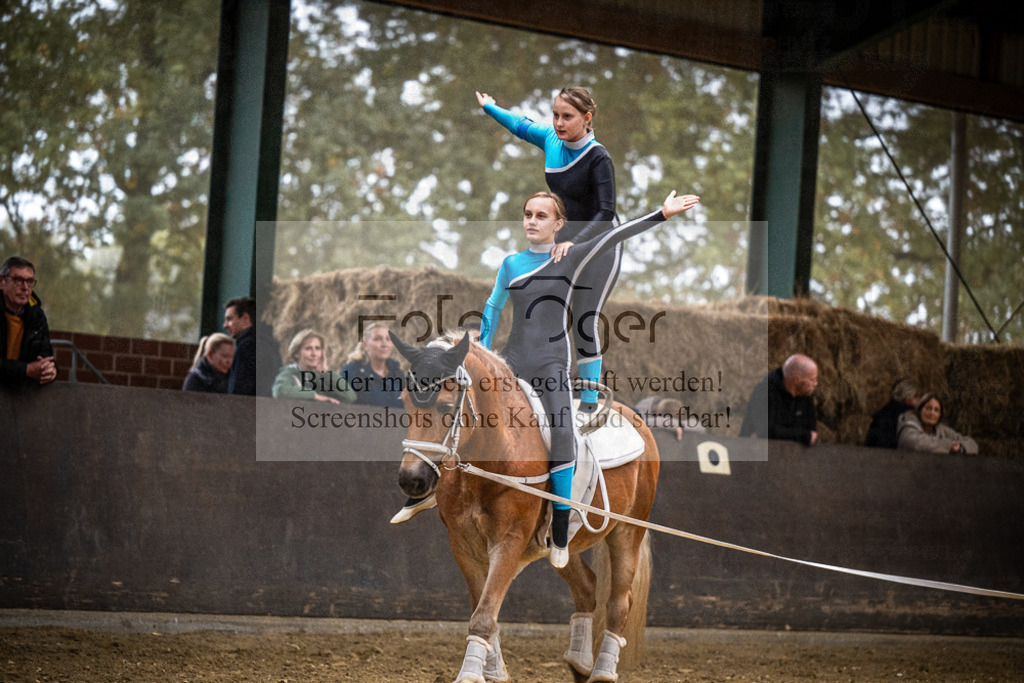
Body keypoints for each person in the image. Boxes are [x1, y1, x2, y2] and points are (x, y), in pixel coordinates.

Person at [474, 189, 698, 568]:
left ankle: (560, 524)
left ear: (559, 224)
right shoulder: (511, 263)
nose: (531, 221)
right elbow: (493, 306)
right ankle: (439, 488)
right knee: (471, 413)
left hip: (550, 363)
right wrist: (482, 355)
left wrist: (661, 213)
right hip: (512, 359)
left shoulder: (570, 256)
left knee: (564, 432)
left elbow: (614, 235)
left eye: (541, 215)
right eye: (528, 213)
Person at [477, 87, 618, 413]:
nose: (558, 122)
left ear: (587, 118)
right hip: (562, 239)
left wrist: (574, 241)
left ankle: (589, 404)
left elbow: (606, 212)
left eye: (567, 117)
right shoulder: (552, 140)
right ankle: (536, 389)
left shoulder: (599, 157)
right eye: (555, 114)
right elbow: (521, 125)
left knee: (584, 318)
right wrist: (491, 108)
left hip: (599, 242)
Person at [739, 354, 819, 446]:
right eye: (812, 379)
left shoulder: (805, 394)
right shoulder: (765, 391)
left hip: (792, 455)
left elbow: (812, 434)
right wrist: (803, 435)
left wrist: (783, 432)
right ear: (797, 380)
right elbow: (765, 431)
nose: (815, 383)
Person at [1, 256, 56, 387]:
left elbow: (45, 355)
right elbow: (30, 369)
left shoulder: (36, 315)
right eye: (18, 280)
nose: (25, 287)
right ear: (1, 282)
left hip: (20, 398)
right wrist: (26, 370)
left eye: (30, 281)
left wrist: (50, 370)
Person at [273, 329, 355, 404]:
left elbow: (350, 396)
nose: (314, 354)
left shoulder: (322, 377)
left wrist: (325, 372)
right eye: (308, 348)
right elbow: (280, 391)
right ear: (296, 353)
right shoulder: (289, 373)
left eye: (317, 348)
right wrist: (315, 396)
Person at [223, 296, 281, 397]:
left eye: (229, 319)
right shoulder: (272, 347)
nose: (225, 325)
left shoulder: (246, 348)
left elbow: (238, 392)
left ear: (245, 319)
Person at [340, 321, 404, 409]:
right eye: (377, 339)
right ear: (365, 344)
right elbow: (342, 408)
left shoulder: (397, 373)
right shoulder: (352, 372)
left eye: (388, 339)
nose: (384, 344)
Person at [897, 392, 978, 455]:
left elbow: (972, 444)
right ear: (920, 410)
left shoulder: (942, 430)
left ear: (940, 415)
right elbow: (914, 443)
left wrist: (960, 448)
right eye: (928, 408)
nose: (932, 413)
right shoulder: (909, 423)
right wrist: (950, 446)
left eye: (936, 410)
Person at [864, 378, 920, 448]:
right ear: (908, 397)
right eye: (916, 397)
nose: (919, 400)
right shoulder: (910, 416)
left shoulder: (882, 414)